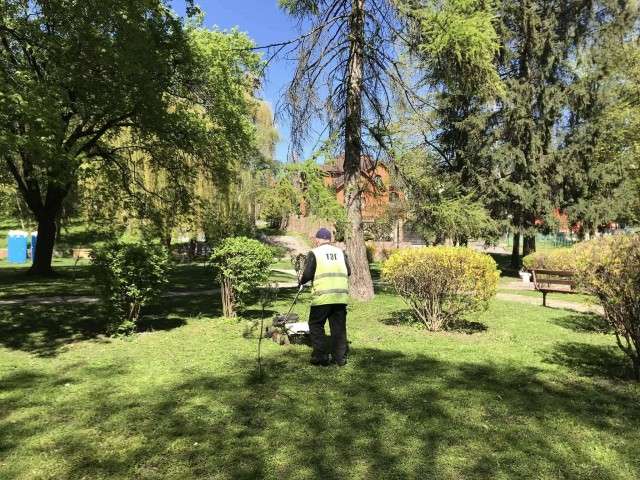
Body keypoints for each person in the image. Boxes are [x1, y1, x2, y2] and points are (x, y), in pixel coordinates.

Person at [299, 227, 351, 366]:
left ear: (318, 240)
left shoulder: (315, 253)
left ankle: (320, 356)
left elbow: (308, 274)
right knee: (338, 328)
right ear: (329, 240)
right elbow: (349, 271)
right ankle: (339, 358)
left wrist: (301, 281)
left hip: (322, 297)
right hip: (340, 297)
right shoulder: (340, 252)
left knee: (316, 325)